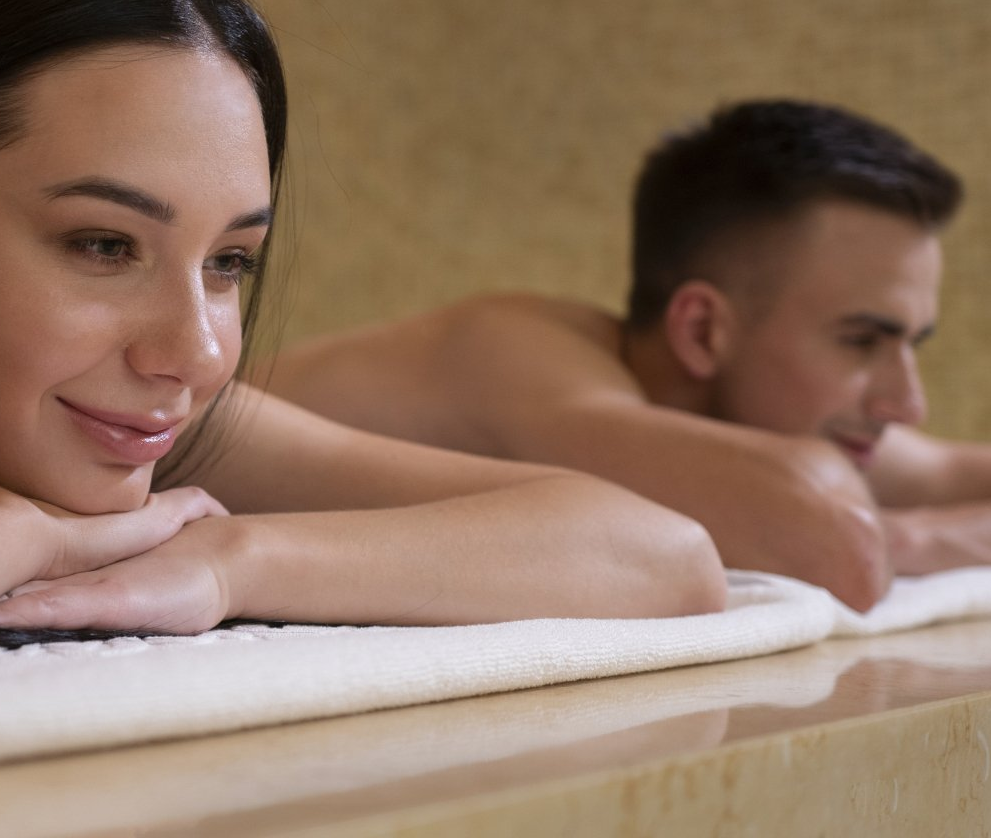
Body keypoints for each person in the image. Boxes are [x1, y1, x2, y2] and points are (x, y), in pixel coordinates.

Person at [0, 0, 727, 677]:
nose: (194, 353)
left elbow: (658, 556)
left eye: (229, 262)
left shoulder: (140, 420)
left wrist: (234, 561)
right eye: (102, 245)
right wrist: (24, 534)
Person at [260, 100, 989, 613]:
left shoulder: (789, 427)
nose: (907, 404)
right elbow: (839, 550)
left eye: (911, 345)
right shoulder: (522, 361)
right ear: (703, 331)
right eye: (862, 341)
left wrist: (908, 526)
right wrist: (912, 534)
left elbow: (950, 472)